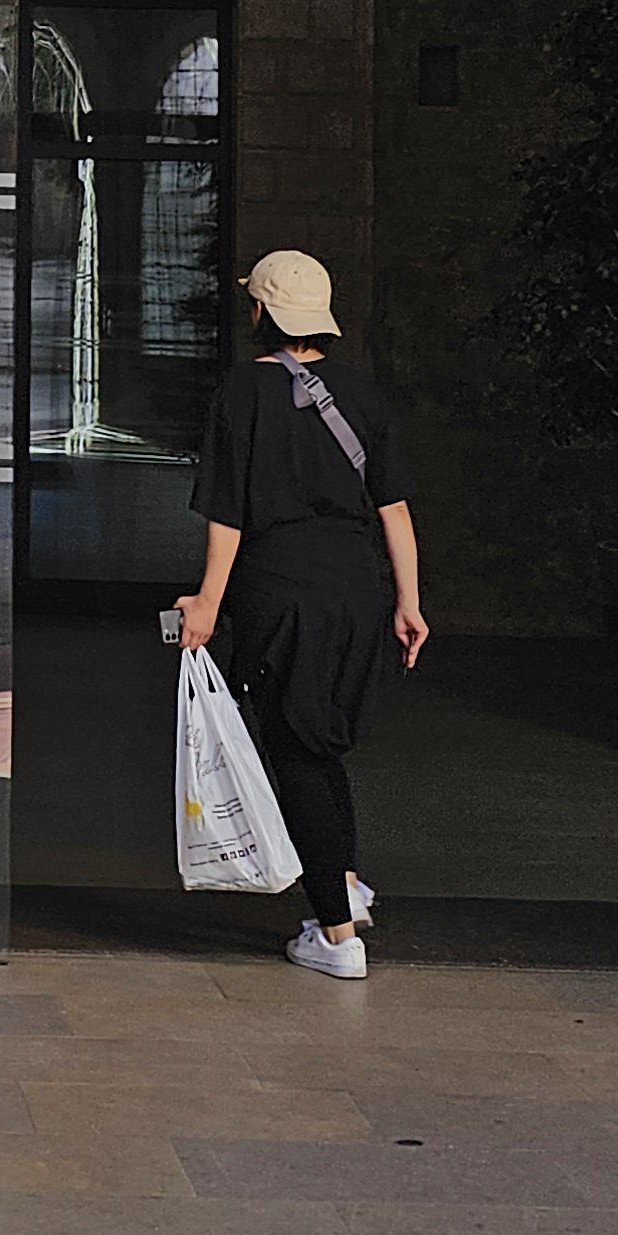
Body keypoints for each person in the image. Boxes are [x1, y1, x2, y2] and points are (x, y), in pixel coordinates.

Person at [173, 249, 429, 981]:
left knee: (294, 756)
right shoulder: (363, 395)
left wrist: (207, 603)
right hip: (357, 591)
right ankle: (344, 881)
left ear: (259, 311)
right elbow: (394, 509)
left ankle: (337, 936)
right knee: (320, 747)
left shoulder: (240, 393)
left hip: (279, 593)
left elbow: (227, 515)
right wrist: (409, 601)